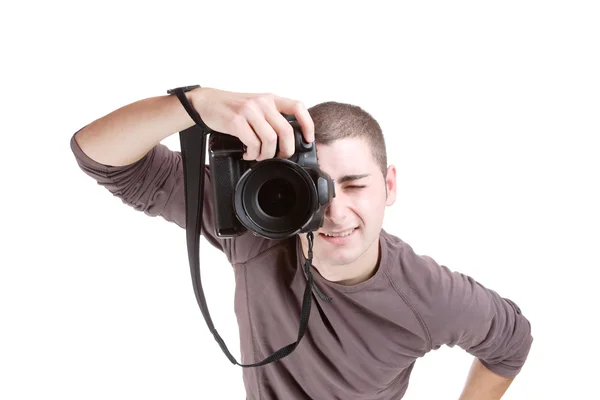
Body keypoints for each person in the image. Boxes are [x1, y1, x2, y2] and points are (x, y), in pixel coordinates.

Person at [70, 86, 533, 399]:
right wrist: (193, 103)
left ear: (389, 186)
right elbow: (101, 158)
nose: (333, 211)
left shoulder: (426, 295)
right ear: (282, 188)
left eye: (354, 185)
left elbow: (511, 340)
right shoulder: (256, 228)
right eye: (313, 187)